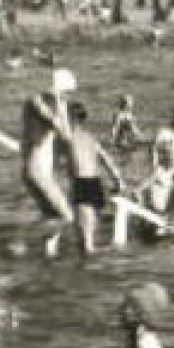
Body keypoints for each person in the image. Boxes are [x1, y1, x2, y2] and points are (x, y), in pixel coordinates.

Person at [21, 68, 80, 256]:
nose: (66, 98)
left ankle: (47, 256)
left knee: (51, 216)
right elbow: (61, 131)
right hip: (36, 169)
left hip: (39, 171)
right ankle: (21, 241)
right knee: (67, 216)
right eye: (66, 93)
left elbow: (66, 138)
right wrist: (60, 106)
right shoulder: (36, 103)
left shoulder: (41, 104)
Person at [63, 100, 127, 255]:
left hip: (82, 184)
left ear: (69, 118)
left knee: (86, 243)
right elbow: (106, 159)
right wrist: (118, 180)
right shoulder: (91, 138)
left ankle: (93, 270)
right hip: (95, 184)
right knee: (87, 235)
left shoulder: (67, 137)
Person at [118, 283, 171, 348]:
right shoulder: (136, 337)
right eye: (125, 306)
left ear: (144, 312)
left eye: (133, 307)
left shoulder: (145, 341)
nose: (126, 311)